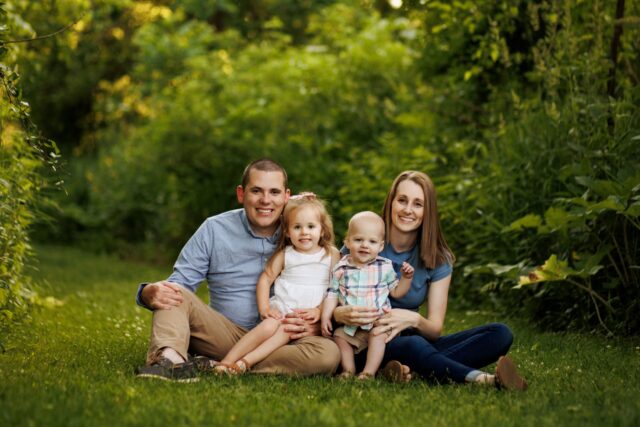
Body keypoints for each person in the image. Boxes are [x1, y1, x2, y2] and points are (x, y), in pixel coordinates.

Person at [135, 159, 340, 382]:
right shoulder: (214, 229)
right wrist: (146, 293)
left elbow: (337, 283)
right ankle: (171, 361)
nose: (265, 200)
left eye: (274, 192)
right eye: (256, 191)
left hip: (283, 337)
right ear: (241, 194)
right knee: (172, 291)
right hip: (223, 334)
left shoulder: (303, 229)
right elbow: (181, 283)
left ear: (285, 196)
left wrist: (318, 323)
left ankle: (223, 363)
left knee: (328, 355)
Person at [333, 171, 528, 390]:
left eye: (418, 204)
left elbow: (435, 328)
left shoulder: (438, 258)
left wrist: (412, 319)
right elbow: (331, 292)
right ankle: (483, 379)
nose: (408, 210)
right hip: (364, 339)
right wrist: (337, 313)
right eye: (402, 200)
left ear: (428, 211)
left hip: (409, 335)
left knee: (500, 334)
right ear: (391, 203)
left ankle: (409, 368)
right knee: (415, 345)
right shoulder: (365, 239)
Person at [213, 195, 340, 374]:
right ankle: (226, 362)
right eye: (297, 227)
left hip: (306, 317)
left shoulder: (331, 255)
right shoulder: (286, 254)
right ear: (287, 232)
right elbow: (266, 278)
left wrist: (319, 310)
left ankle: (245, 363)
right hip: (283, 310)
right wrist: (265, 308)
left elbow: (335, 287)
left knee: (286, 330)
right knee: (268, 326)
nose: (304, 232)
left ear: (322, 230)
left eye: (311, 226)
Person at [321, 211, 414, 380]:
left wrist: (406, 278)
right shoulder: (340, 268)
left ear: (380, 246)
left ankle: (368, 372)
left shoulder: (384, 267)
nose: (365, 245)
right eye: (358, 240)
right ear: (347, 242)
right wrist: (326, 316)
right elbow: (332, 294)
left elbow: (397, 292)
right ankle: (348, 370)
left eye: (372, 241)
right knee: (339, 337)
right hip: (351, 326)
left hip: (378, 323)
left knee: (377, 335)